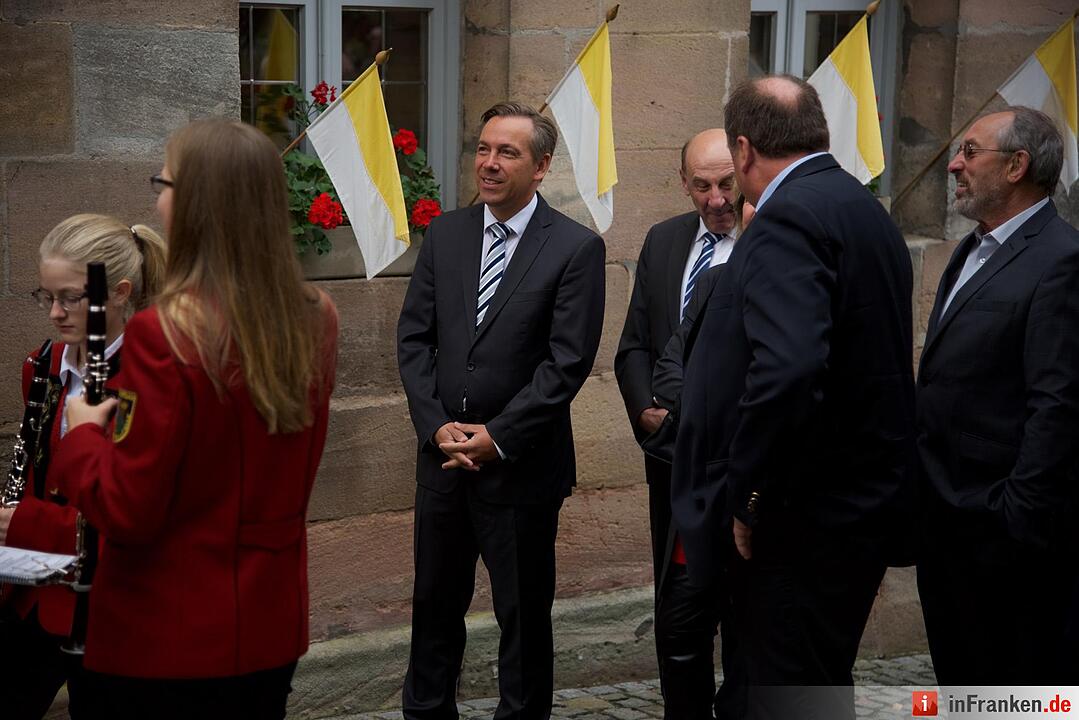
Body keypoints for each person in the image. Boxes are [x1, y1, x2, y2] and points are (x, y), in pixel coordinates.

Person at [48, 119, 338, 719]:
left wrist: (81, 436)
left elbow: (128, 509)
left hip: (164, 635)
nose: (157, 197)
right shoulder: (314, 314)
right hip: (267, 622)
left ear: (198, 203)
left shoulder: (166, 331)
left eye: (165, 182)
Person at [672, 75, 915, 718]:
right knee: (813, 684)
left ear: (744, 150)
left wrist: (748, 495)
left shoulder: (788, 217)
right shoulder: (862, 208)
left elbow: (788, 369)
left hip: (800, 519)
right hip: (854, 511)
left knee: (781, 691)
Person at [397, 102, 605, 720]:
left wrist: (500, 436)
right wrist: (436, 426)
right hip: (443, 464)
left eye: (506, 152)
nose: (488, 163)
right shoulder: (447, 234)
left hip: (521, 471)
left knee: (522, 620)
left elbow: (566, 364)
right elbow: (414, 340)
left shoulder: (575, 248)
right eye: (483, 149)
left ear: (540, 167)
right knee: (433, 610)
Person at [916, 106, 1079, 683]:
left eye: (970, 151)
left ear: (1016, 165)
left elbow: (1056, 406)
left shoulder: (1061, 259)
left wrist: (1014, 518)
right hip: (946, 525)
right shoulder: (971, 248)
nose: (954, 165)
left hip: (1000, 538)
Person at [0, 214, 165, 720]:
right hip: (32, 588)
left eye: (70, 297)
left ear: (119, 293)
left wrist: (28, 523)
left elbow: (137, 509)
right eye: (46, 296)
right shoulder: (44, 363)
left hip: (110, 604)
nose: (54, 312)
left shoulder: (152, 376)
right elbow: (31, 467)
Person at [614, 130, 742, 720]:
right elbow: (634, 345)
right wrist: (646, 411)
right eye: (701, 185)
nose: (716, 199)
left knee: (744, 614)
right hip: (668, 464)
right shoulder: (665, 241)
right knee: (677, 617)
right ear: (683, 183)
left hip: (741, 473)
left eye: (726, 184)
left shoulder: (769, 245)